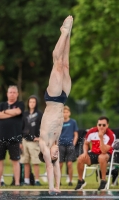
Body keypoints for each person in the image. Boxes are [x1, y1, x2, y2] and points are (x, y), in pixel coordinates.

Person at [35, 15, 73, 195]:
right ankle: (69, 35)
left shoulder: (44, 143)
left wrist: (50, 188)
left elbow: (50, 166)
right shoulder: (56, 143)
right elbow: (57, 166)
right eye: (57, 155)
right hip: (63, 98)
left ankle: (63, 33)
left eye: (54, 155)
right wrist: (59, 186)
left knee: (57, 64)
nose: (57, 154)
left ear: (47, 154)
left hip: (52, 98)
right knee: (65, 65)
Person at [0, 85, 25, 186]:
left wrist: (5, 112)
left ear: (17, 94)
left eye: (14, 92)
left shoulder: (20, 104)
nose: (12, 94)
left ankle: (16, 183)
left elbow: (18, 111)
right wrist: (11, 113)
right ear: (7, 94)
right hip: (1, 137)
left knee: (15, 161)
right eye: (10, 92)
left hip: (14, 137)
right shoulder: (2, 104)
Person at [75, 116, 115, 191]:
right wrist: (85, 153)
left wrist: (101, 138)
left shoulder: (111, 135)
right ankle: (80, 181)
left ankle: (103, 180)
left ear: (107, 125)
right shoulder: (91, 132)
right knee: (80, 158)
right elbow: (86, 143)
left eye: (103, 125)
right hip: (94, 153)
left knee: (102, 157)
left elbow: (104, 151)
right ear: (97, 125)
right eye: (99, 125)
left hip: (107, 154)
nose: (101, 127)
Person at [20, 95, 43, 186]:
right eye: (30, 102)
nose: (32, 104)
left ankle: (37, 180)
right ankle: (26, 181)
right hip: (25, 140)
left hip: (34, 141)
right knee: (25, 161)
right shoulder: (24, 114)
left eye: (34, 102)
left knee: (35, 161)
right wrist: (20, 141)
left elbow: (43, 127)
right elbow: (21, 127)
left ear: (36, 103)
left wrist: (40, 137)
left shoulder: (40, 114)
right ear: (28, 103)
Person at [59, 105, 78, 186]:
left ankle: (70, 180)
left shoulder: (73, 122)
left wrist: (73, 143)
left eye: (67, 112)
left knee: (69, 163)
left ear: (69, 113)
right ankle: (58, 181)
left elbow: (76, 134)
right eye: (64, 112)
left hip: (70, 144)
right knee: (60, 164)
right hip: (61, 144)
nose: (65, 114)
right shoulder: (59, 122)